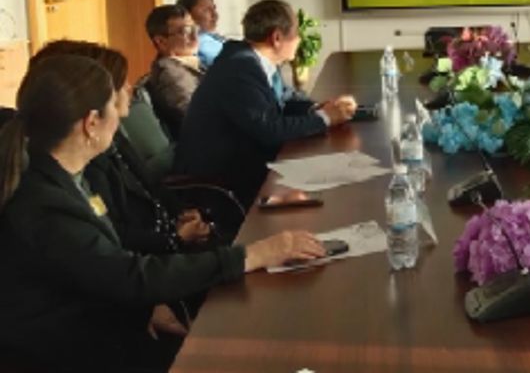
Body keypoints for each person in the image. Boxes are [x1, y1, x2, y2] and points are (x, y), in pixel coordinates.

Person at [0, 55, 325, 372]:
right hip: (68, 351)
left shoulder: (68, 178)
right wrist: (252, 255)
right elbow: (129, 276)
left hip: (101, 324)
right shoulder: (45, 203)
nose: (121, 114)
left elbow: (99, 266)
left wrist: (143, 310)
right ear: (91, 123)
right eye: (113, 104)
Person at [30, 41, 209, 255]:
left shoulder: (113, 137)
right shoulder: (85, 158)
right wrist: (174, 239)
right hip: (149, 257)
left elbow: (151, 186)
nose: (130, 87)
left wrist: (181, 213)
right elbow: (114, 238)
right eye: (121, 82)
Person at [175, 0, 357, 207]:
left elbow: (286, 98)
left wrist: (318, 108)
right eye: (296, 33)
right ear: (277, 38)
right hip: (223, 181)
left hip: (248, 162)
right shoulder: (239, 68)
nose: (299, 39)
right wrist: (325, 118)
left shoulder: (254, 59)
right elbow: (269, 130)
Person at [144, 4, 205, 140]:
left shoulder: (191, 63)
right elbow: (197, 118)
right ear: (161, 41)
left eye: (195, 29)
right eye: (186, 31)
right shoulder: (170, 73)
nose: (195, 36)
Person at [176, 0, 225, 68]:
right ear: (188, 16)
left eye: (214, 9)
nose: (215, 15)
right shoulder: (199, 42)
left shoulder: (214, 38)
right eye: (206, 10)